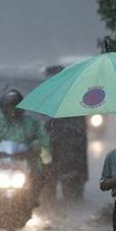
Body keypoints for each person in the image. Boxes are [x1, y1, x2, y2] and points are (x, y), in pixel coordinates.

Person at [0, 89, 51, 211]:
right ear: (3, 108)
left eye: (15, 107)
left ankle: (33, 200)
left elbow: (43, 139)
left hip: (26, 159)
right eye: (9, 107)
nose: (12, 111)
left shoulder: (32, 122)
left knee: (39, 176)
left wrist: (38, 146)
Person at [41, 64, 89, 205]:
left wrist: (82, 172)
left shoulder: (76, 104)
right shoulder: (43, 103)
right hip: (51, 160)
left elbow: (81, 141)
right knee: (48, 199)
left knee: (72, 200)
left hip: (71, 162)